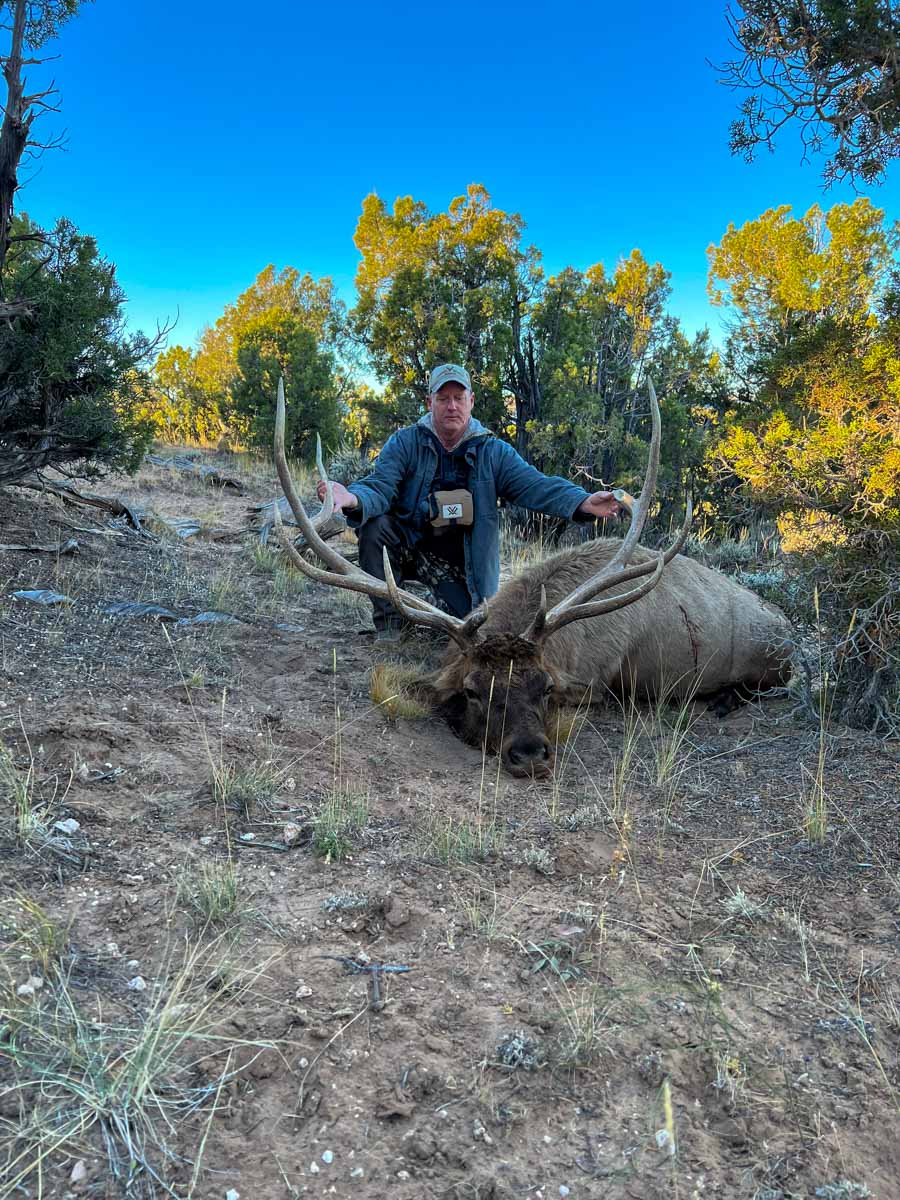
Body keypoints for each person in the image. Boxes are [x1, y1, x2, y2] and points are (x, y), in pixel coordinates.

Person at [317, 363, 621, 643]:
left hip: (465, 569)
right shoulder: (406, 443)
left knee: (472, 631)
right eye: (443, 398)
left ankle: (444, 605)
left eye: (459, 398)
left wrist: (582, 502)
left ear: (471, 402)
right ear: (429, 403)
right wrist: (351, 497)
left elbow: (536, 486)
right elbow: (379, 488)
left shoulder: (494, 452)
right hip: (409, 548)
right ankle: (392, 625)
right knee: (375, 527)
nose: (452, 406)